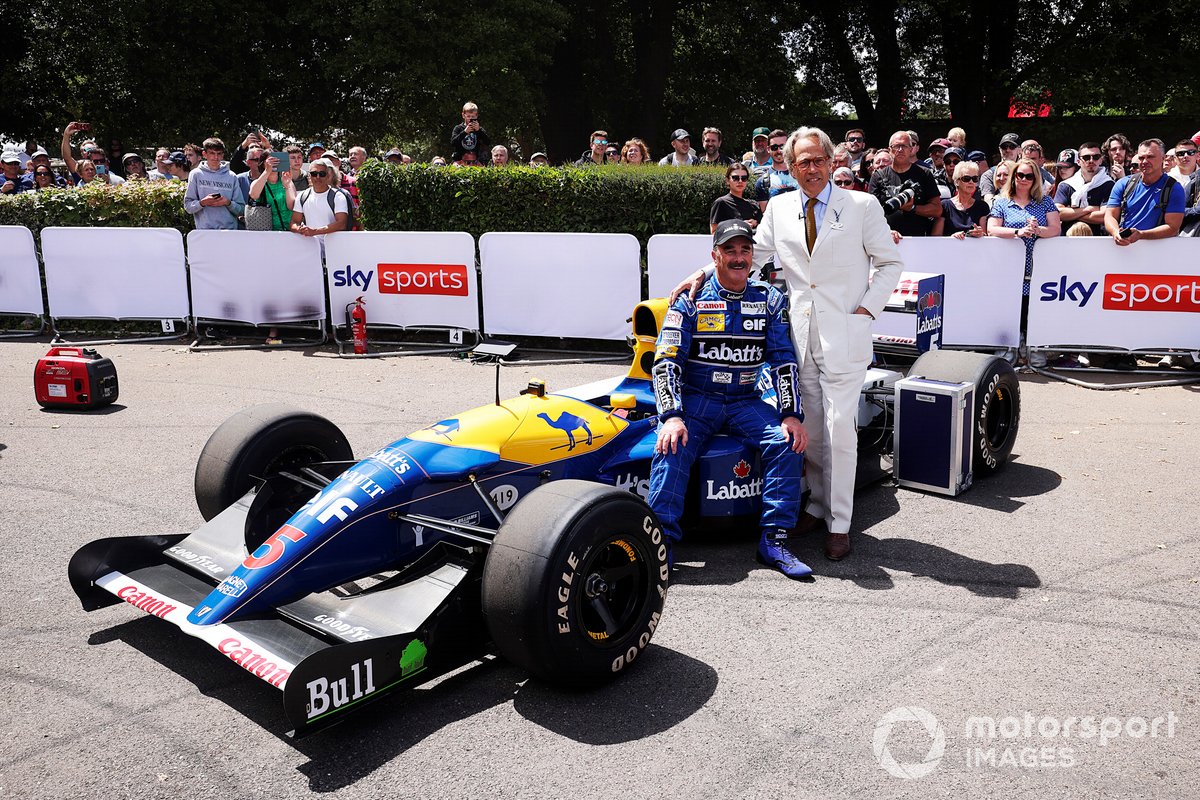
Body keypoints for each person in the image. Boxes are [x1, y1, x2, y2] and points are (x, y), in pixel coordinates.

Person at [672, 126, 903, 561]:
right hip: (798, 335)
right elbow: (749, 256)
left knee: (839, 430)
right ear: (791, 166)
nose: (810, 169)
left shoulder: (862, 205)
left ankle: (840, 522)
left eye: (818, 160)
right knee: (809, 428)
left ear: (833, 162)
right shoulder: (778, 208)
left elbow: (889, 263)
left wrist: (867, 310)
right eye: (802, 162)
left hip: (846, 333)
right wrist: (702, 273)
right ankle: (814, 505)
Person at [649, 219, 810, 578]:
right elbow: (666, 361)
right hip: (698, 400)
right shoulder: (689, 300)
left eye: (745, 250)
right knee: (671, 445)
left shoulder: (769, 299)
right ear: (715, 256)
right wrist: (672, 415)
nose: (739, 258)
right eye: (730, 250)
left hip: (744, 400)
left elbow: (783, 358)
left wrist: (791, 414)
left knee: (786, 442)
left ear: (753, 255)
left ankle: (775, 540)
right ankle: (659, 546)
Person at [988, 156, 1061, 366]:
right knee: (1010, 308)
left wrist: (1039, 230)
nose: (1024, 179)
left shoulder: (1045, 202)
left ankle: (1033, 348)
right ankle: (1008, 349)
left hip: (1038, 265)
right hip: (1008, 266)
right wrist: (1018, 232)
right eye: (1020, 175)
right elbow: (991, 228)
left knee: (1032, 308)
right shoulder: (1002, 202)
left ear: (1035, 178)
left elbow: (1056, 229)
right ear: (1013, 177)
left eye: (1029, 175)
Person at [1104, 138, 1185, 245]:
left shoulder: (1174, 188)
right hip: (1124, 249)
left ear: (1163, 158)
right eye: (1141, 158)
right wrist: (1115, 232)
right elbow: (1110, 215)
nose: (1145, 161)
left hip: (1159, 251)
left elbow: (1172, 227)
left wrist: (1141, 234)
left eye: (1150, 157)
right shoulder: (1124, 184)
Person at [869, 130, 942, 236]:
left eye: (904, 146)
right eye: (896, 146)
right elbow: (871, 212)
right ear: (890, 150)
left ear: (911, 149)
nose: (900, 150)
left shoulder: (924, 174)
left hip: (918, 240)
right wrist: (887, 231)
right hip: (887, 238)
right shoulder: (878, 176)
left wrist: (912, 208)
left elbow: (937, 210)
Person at [183, 138, 245, 230]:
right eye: (212, 153)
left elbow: (241, 209)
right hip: (205, 232)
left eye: (219, 153)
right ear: (204, 154)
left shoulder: (232, 176)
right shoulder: (196, 174)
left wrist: (228, 203)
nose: (216, 157)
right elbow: (188, 206)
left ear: (223, 155)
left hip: (229, 231)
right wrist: (203, 202)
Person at [1054, 144, 1113, 236]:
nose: (1091, 160)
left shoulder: (1109, 184)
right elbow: (1057, 213)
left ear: (1101, 160)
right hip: (1067, 240)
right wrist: (1088, 209)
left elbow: (1104, 216)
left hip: (1099, 240)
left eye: (1096, 157)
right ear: (1078, 161)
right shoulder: (1066, 185)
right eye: (1086, 157)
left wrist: (1072, 213)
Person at [290, 157, 349, 240]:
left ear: (328, 176)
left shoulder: (338, 196)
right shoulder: (302, 196)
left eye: (322, 174)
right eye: (314, 173)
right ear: (309, 176)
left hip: (333, 246)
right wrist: (299, 229)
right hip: (311, 246)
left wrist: (315, 231)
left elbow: (342, 223)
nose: (317, 177)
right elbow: (294, 222)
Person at [933, 160, 989, 238]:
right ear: (956, 182)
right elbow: (935, 237)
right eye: (966, 178)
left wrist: (980, 233)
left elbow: (986, 237)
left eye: (975, 178)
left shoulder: (982, 206)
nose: (971, 182)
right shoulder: (944, 206)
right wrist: (952, 238)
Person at [246, 152, 295, 231]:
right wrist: (267, 171)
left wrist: (286, 186)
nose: (273, 164)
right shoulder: (258, 182)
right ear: (262, 164)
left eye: (276, 161)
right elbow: (254, 195)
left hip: (288, 229)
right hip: (266, 231)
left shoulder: (286, 181)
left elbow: (292, 206)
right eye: (270, 161)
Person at [753, 129, 798, 212]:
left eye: (782, 147)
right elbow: (765, 215)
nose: (779, 151)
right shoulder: (763, 182)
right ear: (768, 149)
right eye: (774, 147)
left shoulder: (801, 174)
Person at [708, 163, 762, 232]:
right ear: (727, 180)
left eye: (744, 178)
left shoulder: (754, 205)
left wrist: (756, 224)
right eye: (735, 178)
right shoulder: (721, 203)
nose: (740, 181)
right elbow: (714, 232)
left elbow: (763, 231)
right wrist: (739, 226)